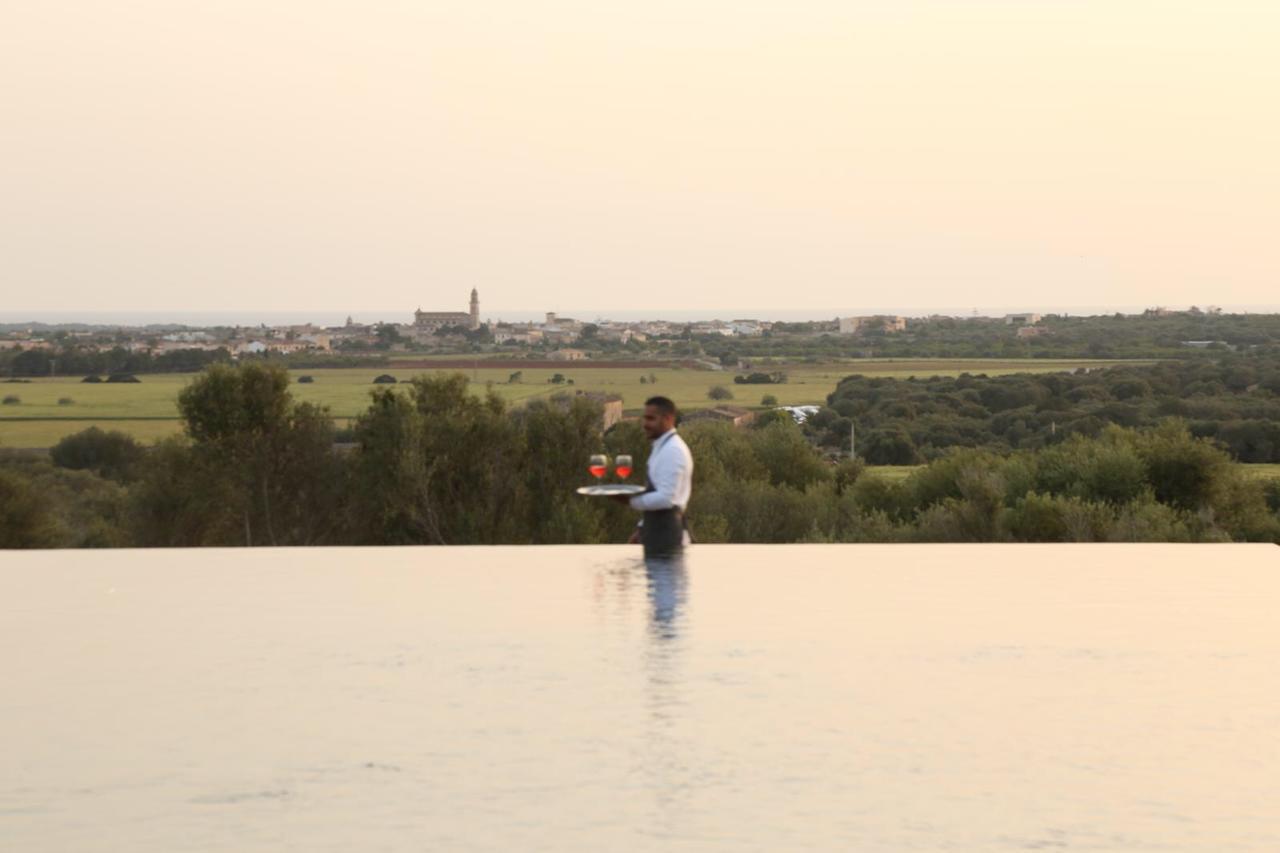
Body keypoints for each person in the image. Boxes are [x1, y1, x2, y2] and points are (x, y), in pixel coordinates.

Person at [613, 396, 693, 556]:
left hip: (667, 536)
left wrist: (630, 500)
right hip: (658, 533)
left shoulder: (673, 451)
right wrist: (642, 527)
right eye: (645, 418)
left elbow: (667, 498)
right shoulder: (662, 447)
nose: (645, 424)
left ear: (668, 419)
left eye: (651, 419)